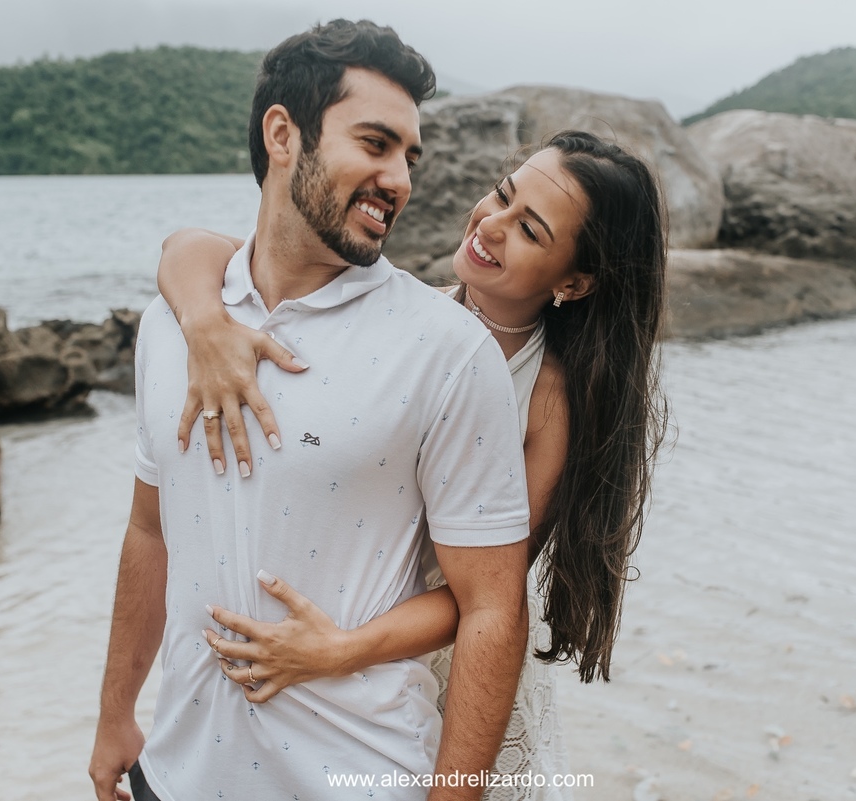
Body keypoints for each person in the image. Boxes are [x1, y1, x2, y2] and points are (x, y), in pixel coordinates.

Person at [89, 19, 534, 801]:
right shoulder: (173, 323)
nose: (399, 177)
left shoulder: (448, 352)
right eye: (375, 142)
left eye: (409, 156)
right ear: (283, 134)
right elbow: (149, 530)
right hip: (174, 771)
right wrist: (114, 713)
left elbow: (494, 607)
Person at [156, 130, 668, 799]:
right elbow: (188, 247)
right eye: (502, 195)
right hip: (335, 641)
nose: (491, 224)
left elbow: (486, 598)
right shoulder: (403, 313)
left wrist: (338, 650)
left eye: (529, 229)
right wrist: (203, 321)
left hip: (452, 666)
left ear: (573, 281)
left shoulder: (546, 400)